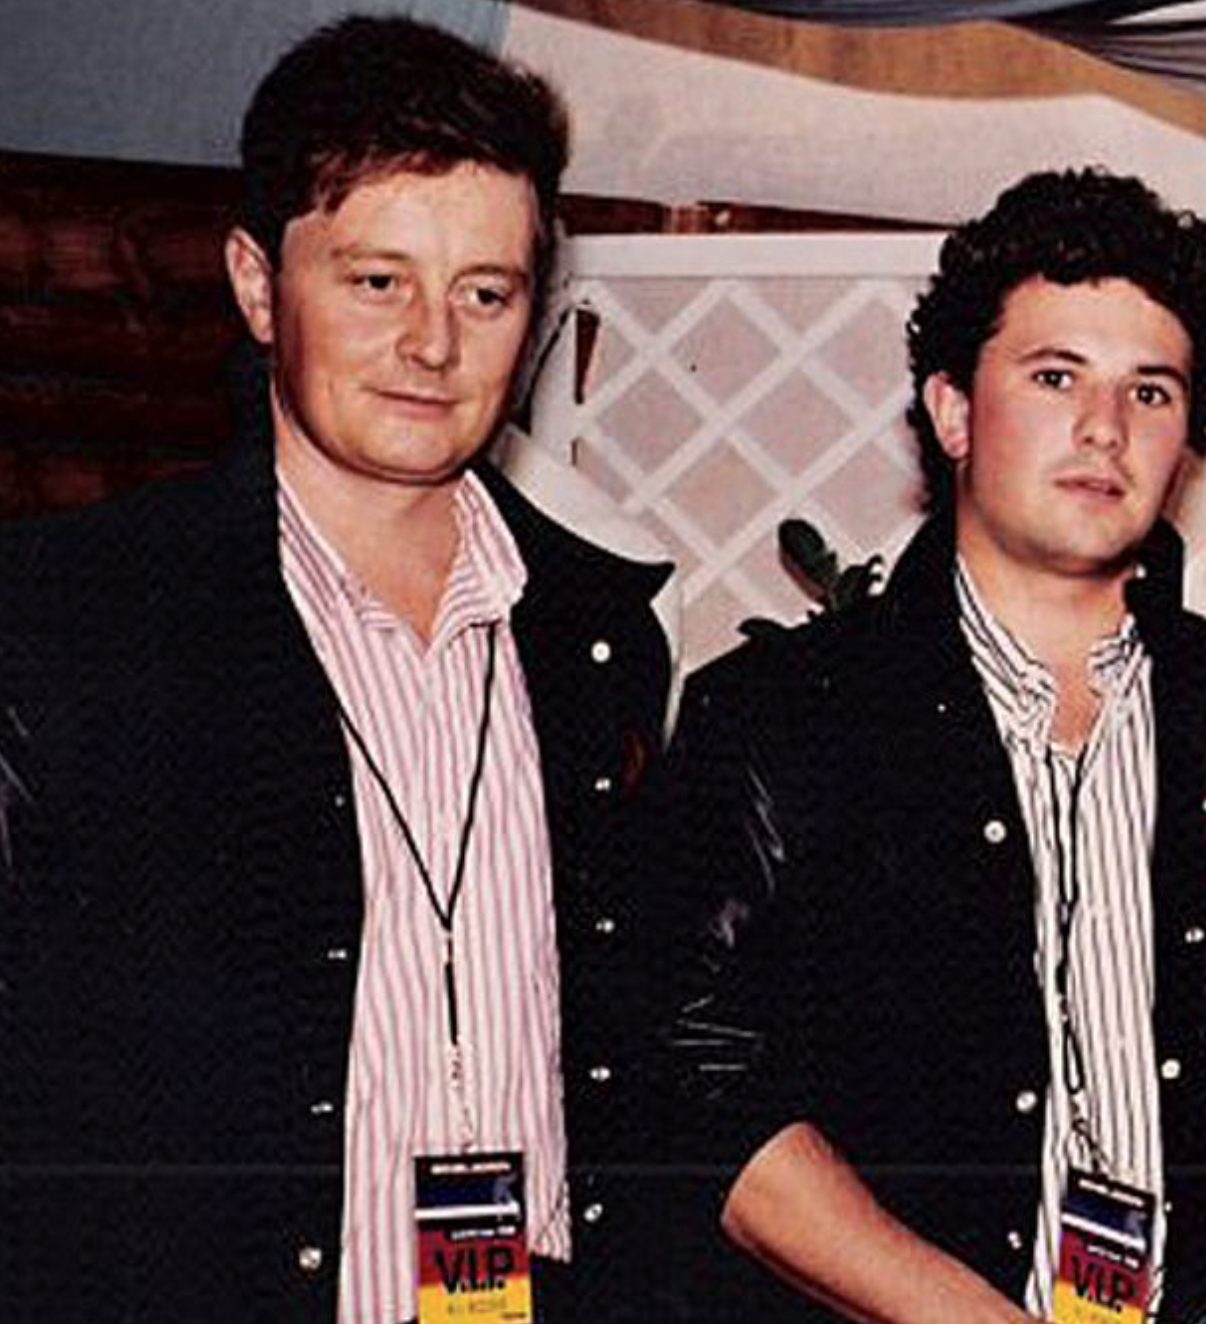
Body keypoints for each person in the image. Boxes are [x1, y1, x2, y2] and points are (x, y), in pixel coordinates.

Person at [640, 167, 1206, 1324]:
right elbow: (696, 1068)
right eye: (1055, 375)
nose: (1104, 428)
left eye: (1150, 390)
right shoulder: (780, 719)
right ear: (953, 411)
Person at [0, 16, 674, 1322]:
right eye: (377, 282)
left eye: (485, 293)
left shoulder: (597, 638)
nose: (434, 344)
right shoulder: (72, 625)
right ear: (258, 286)